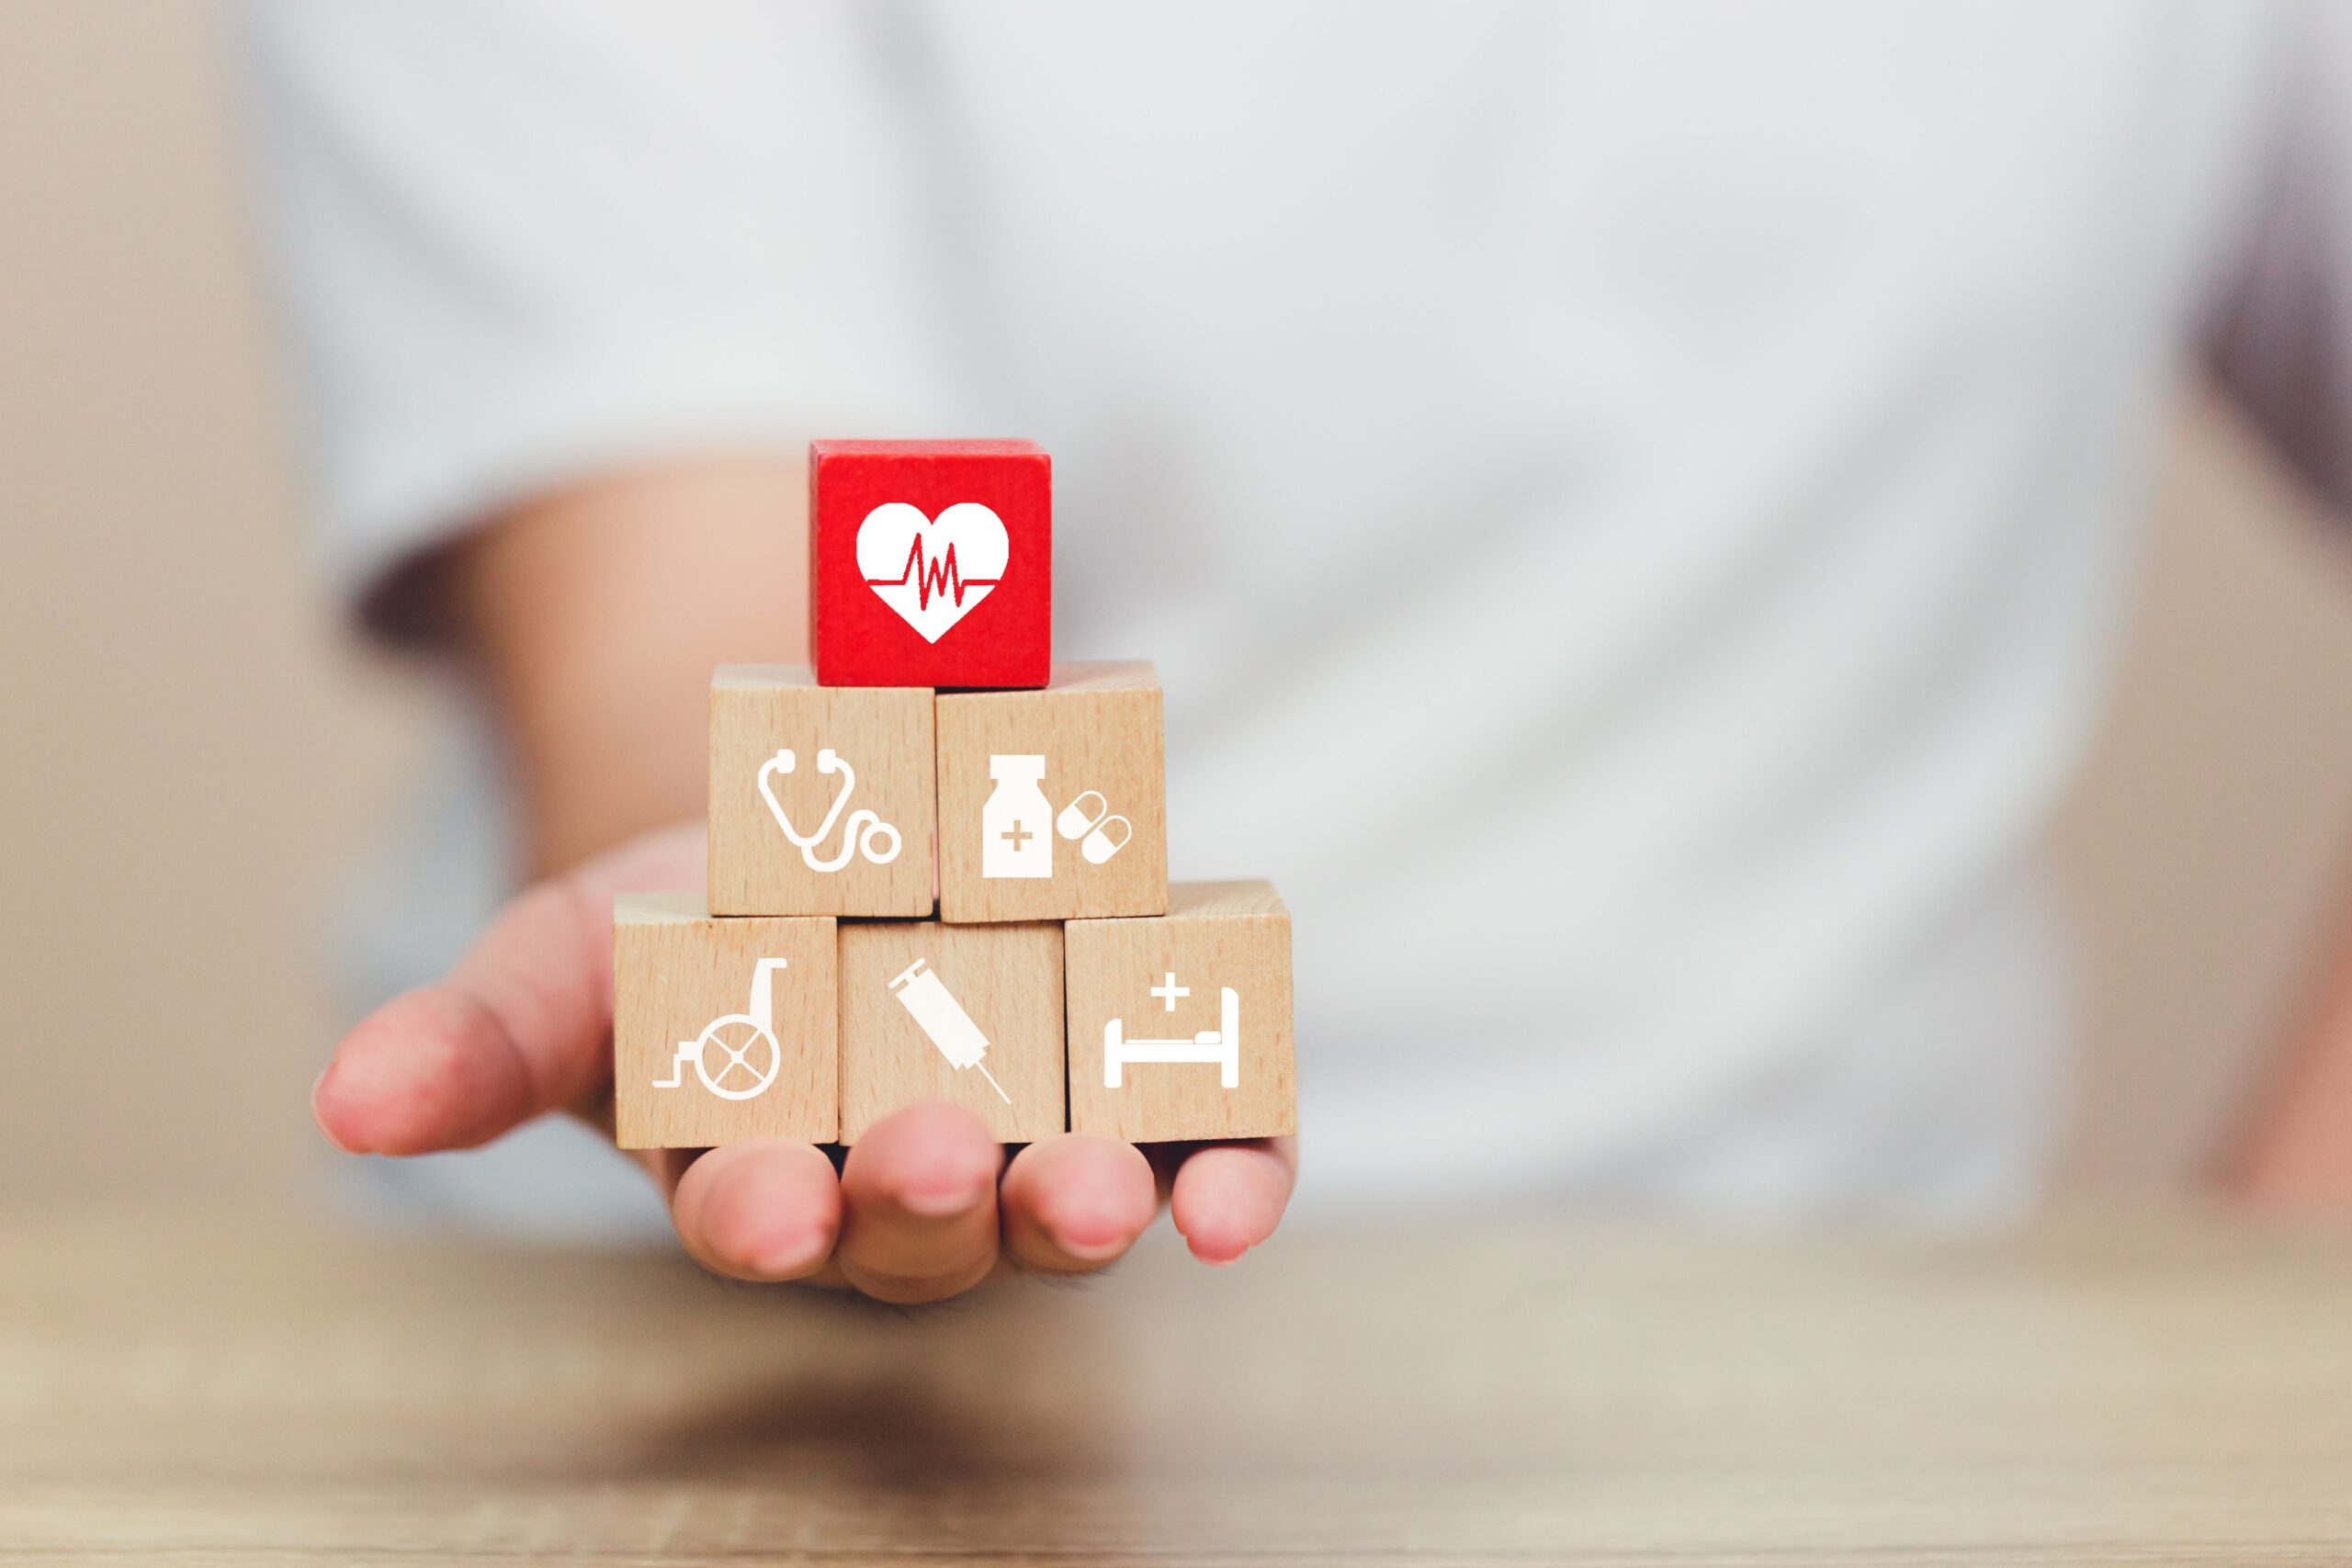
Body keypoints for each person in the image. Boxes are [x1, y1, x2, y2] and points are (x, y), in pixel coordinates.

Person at [239, 1, 2352, 1303]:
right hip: (703, 1411)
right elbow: (694, 599)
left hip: (1833, 1368)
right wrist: (782, 931)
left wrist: (2266, 1327)